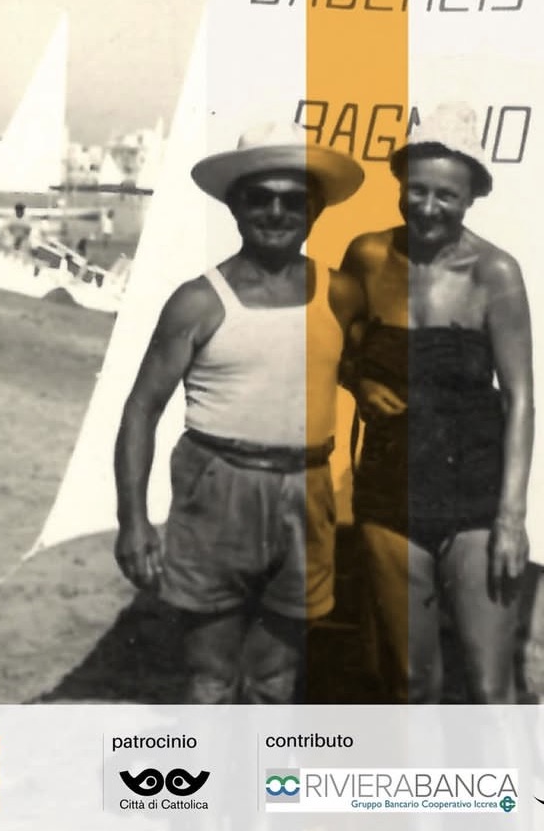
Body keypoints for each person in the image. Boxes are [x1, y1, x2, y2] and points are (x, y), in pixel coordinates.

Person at [114, 123, 364, 703]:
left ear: (315, 210)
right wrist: (133, 520)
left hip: (306, 488)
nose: (276, 213)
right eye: (260, 198)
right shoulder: (198, 301)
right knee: (211, 677)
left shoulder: (341, 294)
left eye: (293, 200)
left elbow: (366, 383)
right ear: (234, 206)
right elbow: (141, 410)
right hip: (216, 488)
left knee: (275, 679)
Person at [342, 105, 534, 702]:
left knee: (490, 686)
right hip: (388, 488)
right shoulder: (367, 256)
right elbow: (333, 348)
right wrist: (358, 382)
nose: (428, 207)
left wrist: (511, 520)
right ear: (399, 184)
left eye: (446, 195)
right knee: (411, 681)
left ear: (471, 197)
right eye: (417, 190)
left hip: (475, 495)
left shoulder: (495, 272)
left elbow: (521, 399)